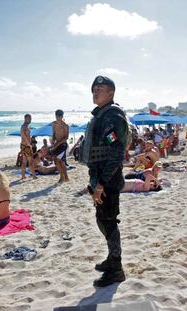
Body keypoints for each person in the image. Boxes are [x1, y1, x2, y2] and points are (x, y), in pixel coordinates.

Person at [78, 75, 128, 287]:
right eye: (94, 89)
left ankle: (116, 269)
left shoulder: (112, 116)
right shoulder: (101, 115)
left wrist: (101, 184)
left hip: (107, 179)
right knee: (102, 219)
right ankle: (111, 259)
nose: (95, 92)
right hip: (99, 176)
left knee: (108, 221)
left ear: (111, 93)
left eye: (101, 89)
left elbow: (116, 153)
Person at [50, 109, 69, 183]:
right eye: (57, 116)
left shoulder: (65, 125)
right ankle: (65, 177)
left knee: (58, 161)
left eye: (59, 116)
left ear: (62, 116)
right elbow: (54, 134)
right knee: (60, 162)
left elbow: (66, 137)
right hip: (56, 145)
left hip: (63, 145)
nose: (58, 118)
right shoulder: (53, 124)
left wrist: (58, 143)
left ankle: (62, 177)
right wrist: (53, 141)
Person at [20, 114, 37, 179]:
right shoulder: (24, 126)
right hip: (26, 145)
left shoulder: (25, 126)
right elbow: (23, 135)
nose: (30, 120)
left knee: (24, 161)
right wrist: (28, 144)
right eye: (29, 118)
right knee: (31, 161)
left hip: (24, 145)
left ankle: (23, 176)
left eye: (31, 118)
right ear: (25, 118)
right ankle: (34, 176)